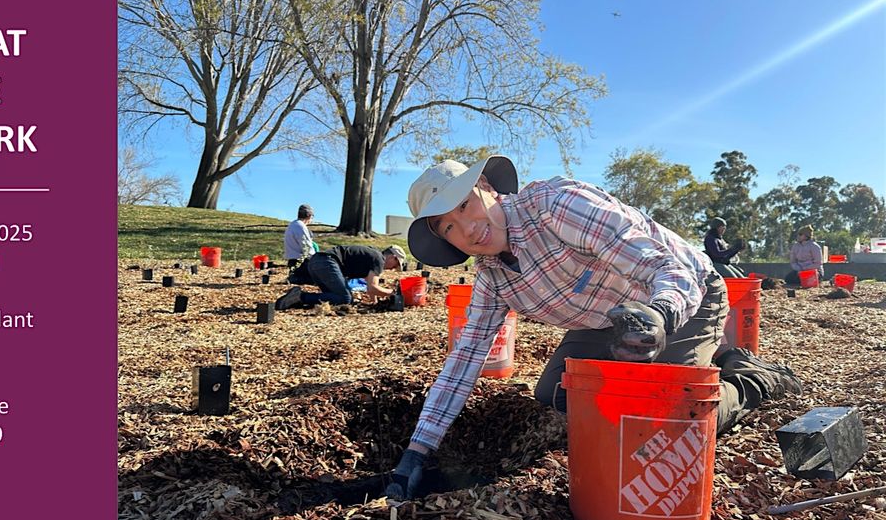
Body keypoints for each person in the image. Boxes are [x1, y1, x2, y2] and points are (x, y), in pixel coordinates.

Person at [384, 156, 797, 501]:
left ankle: (749, 379)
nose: (468, 227)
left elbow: (665, 267)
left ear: (489, 187)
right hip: (605, 320)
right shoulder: (493, 278)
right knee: (556, 396)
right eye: (450, 228)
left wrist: (661, 317)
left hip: (682, 294)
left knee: (665, 422)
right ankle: (714, 356)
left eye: (464, 206)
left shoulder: (558, 206)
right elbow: (463, 363)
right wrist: (418, 451)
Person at [275, 244, 405, 309]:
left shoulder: (373, 256)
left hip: (316, 262)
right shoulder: (379, 260)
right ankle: (301, 297)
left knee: (335, 297)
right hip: (327, 262)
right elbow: (372, 288)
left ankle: (295, 300)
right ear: (392, 257)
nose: (393, 268)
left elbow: (370, 288)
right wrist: (393, 294)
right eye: (395, 264)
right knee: (345, 298)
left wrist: (374, 303)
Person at [284, 204, 317, 270]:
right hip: (301, 263)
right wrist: (316, 258)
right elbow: (307, 248)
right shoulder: (301, 226)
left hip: (292, 261)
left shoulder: (292, 224)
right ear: (309, 216)